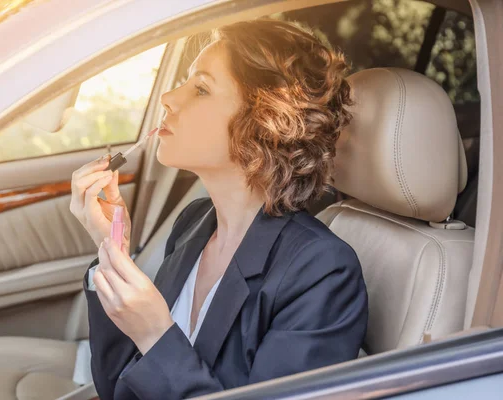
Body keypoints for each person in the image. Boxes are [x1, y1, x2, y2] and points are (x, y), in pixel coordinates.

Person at [70, 18, 368, 400]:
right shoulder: (194, 223)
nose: (169, 99)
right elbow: (118, 387)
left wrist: (156, 335)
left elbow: (154, 352)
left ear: (265, 123)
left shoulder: (322, 272)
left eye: (201, 89)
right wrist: (110, 246)